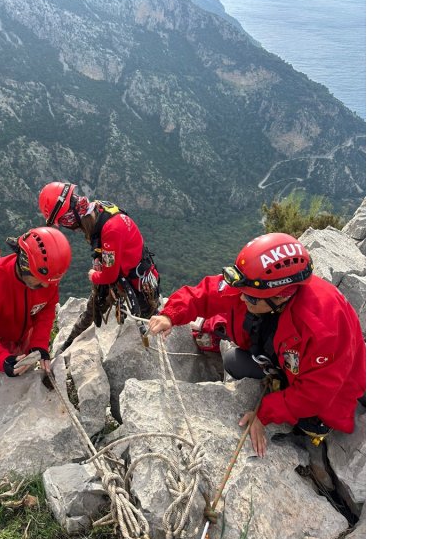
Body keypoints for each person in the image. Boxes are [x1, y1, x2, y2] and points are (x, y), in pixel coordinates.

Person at [147, 233, 365, 475]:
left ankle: (314, 441)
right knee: (234, 362)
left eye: (249, 296)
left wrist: (265, 414)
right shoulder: (257, 285)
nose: (241, 296)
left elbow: (316, 392)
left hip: (330, 384)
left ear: (282, 296)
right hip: (286, 360)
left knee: (311, 420)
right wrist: (171, 314)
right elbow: (209, 292)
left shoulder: (324, 326)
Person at [38, 181, 161, 347]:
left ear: (68, 217)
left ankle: (68, 344)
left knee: (149, 320)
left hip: (135, 281)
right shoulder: (98, 209)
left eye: (63, 222)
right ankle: (69, 343)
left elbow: (110, 274)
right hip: (132, 269)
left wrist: (94, 276)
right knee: (94, 307)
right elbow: (101, 243)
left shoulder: (110, 229)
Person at [0, 227, 71, 377]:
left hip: (25, 336)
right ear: (25, 265)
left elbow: (46, 309)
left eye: (51, 281)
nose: (46, 286)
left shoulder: (47, 275)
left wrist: (39, 344)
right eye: (41, 281)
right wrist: (1, 358)